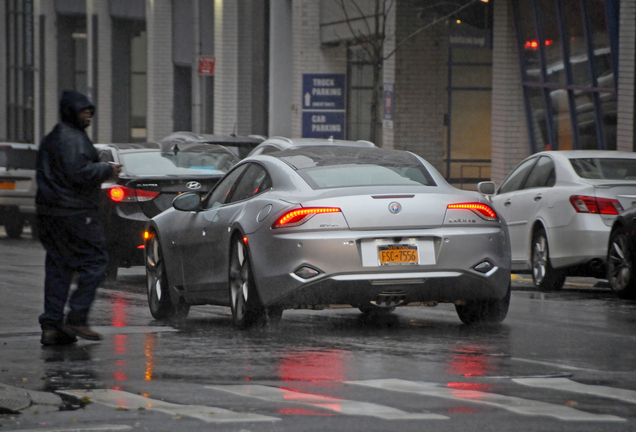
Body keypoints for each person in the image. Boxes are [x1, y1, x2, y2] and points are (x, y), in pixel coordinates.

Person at [36, 89, 121, 346]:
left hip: (50, 213)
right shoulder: (73, 139)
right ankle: (77, 316)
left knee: (59, 266)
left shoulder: (53, 138)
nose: (89, 117)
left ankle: (51, 326)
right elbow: (77, 172)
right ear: (71, 112)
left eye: (91, 112)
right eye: (85, 112)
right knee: (96, 262)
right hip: (75, 212)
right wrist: (107, 169)